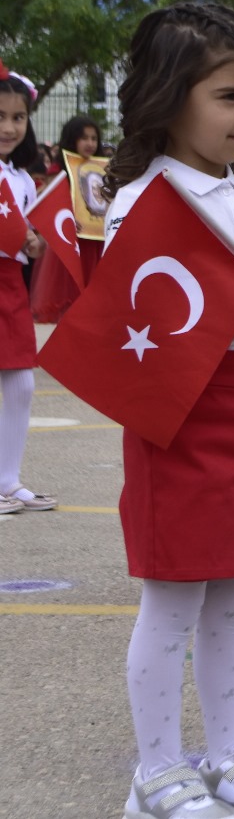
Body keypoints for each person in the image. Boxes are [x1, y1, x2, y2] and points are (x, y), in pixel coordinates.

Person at [101, 2, 234, 819]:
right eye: (228, 96)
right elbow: (131, 319)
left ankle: (228, 758)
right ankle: (155, 772)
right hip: (182, 420)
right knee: (173, 601)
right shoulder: (142, 201)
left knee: (233, 597)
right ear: (168, 96)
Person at [0, 62, 52, 516]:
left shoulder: (20, 178)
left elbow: (30, 238)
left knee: (21, 384)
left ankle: (8, 480)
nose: (9, 127)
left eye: (18, 118)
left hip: (9, 288)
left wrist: (35, 241)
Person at [29, 114, 105, 322]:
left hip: (95, 240)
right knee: (69, 290)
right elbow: (55, 203)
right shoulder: (59, 170)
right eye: (84, 138)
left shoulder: (103, 170)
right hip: (70, 240)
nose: (90, 143)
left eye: (94, 138)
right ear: (72, 139)